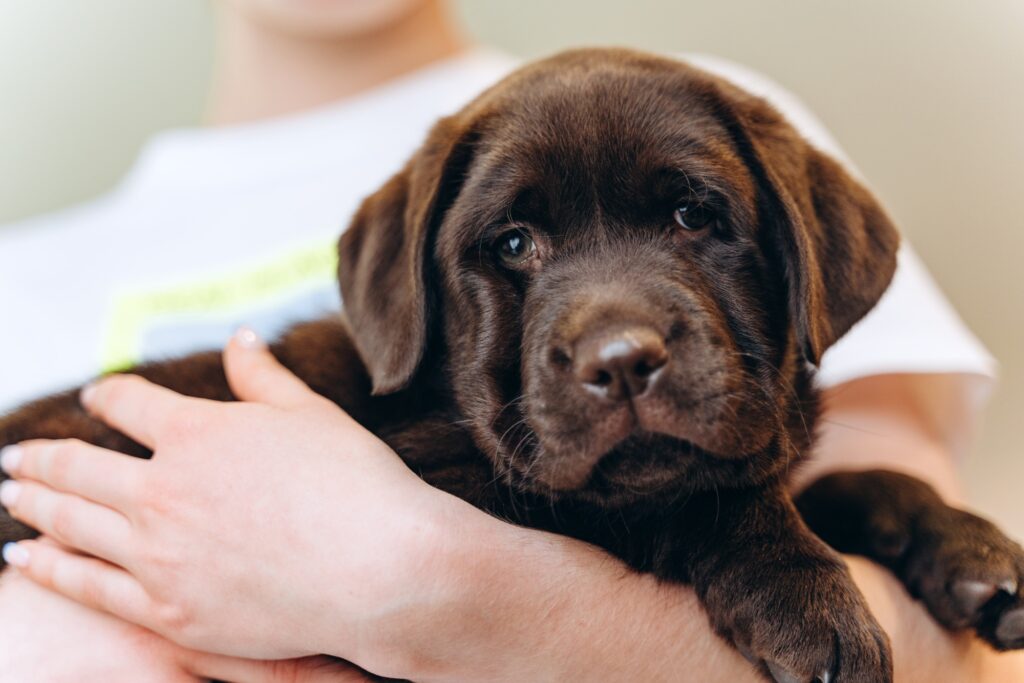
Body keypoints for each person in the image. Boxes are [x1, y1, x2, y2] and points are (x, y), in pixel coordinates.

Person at [0, 0, 1018, 680]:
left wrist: (435, 584)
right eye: (515, 243)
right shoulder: (28, 281)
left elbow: (930, 656)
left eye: (693, 219)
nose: (617, 337)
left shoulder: (712, 103)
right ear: (411, 310)